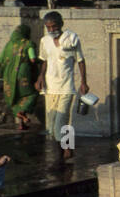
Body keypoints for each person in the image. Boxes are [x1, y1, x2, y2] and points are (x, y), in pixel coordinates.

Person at [35, 11, 88, 165]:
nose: (51, 30)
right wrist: (40, 77)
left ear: (61, 24)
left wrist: (83, 82)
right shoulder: (45, 41)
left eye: (54, 26)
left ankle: (68, 148)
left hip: (66, 87)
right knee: (51, 126)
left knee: (62, 121)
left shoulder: (71, 38)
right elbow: (44, 60)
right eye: (48, 27)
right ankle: (63, 150)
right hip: (50, 87)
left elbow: (80, 60)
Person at [0, 25, 39, 131]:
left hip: (9, 74)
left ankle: (21, 122)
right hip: (23, 72)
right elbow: (33, 59)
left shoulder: (9, 45)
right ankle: (23, 111)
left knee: (15, 96)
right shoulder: (28, 43)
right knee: (31, 94)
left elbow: (1, 59)